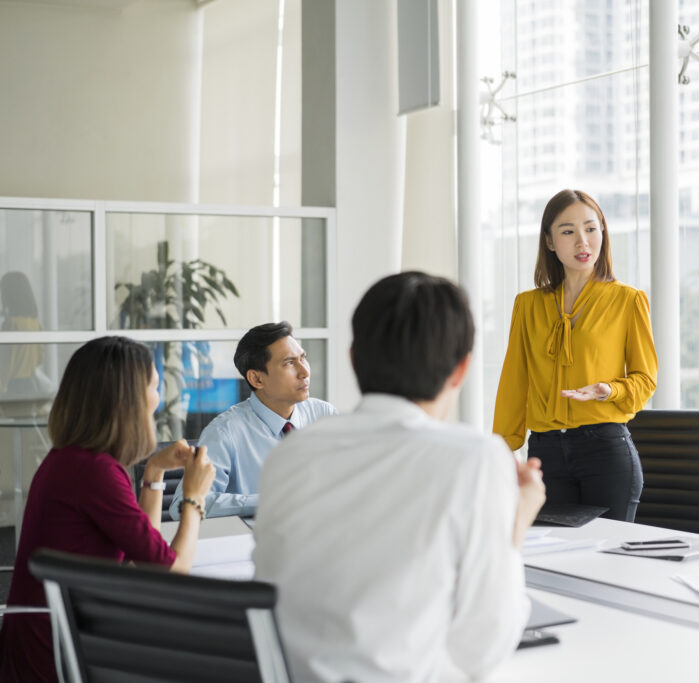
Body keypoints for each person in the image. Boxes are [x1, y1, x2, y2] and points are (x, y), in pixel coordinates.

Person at [253, 272, 546, 683]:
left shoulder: (293, 452)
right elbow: (482, 651)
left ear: (353, 359)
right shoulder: (475, 458)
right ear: (461, 369)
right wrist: (515, 527)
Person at [0, 336, 215, 683]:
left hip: (53, 632)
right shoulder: (95, 471)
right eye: (154, 386)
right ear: (129, 400)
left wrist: (155, 472)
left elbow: (140, 561)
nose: (158, 398)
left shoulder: (75, 459)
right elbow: (171, 571)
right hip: (53, 645)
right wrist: (194, 498)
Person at [493, 189, 657, 522]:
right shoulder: (528, 306)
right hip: (545, 452)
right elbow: (514, 380)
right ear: (550, 242)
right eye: (568, 232)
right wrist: (502, 445)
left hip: (606, 450)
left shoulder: (628, 301)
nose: (582, 241)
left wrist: (609, 389)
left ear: (602, 233)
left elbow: (645, 379)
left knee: (608, 564)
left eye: (591, 229)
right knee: (554, 561)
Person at [169, 321, 335, 519]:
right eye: (289, 363)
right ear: (257, 379)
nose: (305, 372)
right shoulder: (225, 432)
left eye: (302, 358)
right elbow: (181, 506)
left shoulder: (323, 415)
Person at [0, 271, 46, 397]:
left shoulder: (10, 324)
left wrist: (2, 388)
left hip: (12, 386)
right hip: (30, 383)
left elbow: (6, 362)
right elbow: (40, 358)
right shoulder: (35, 324)